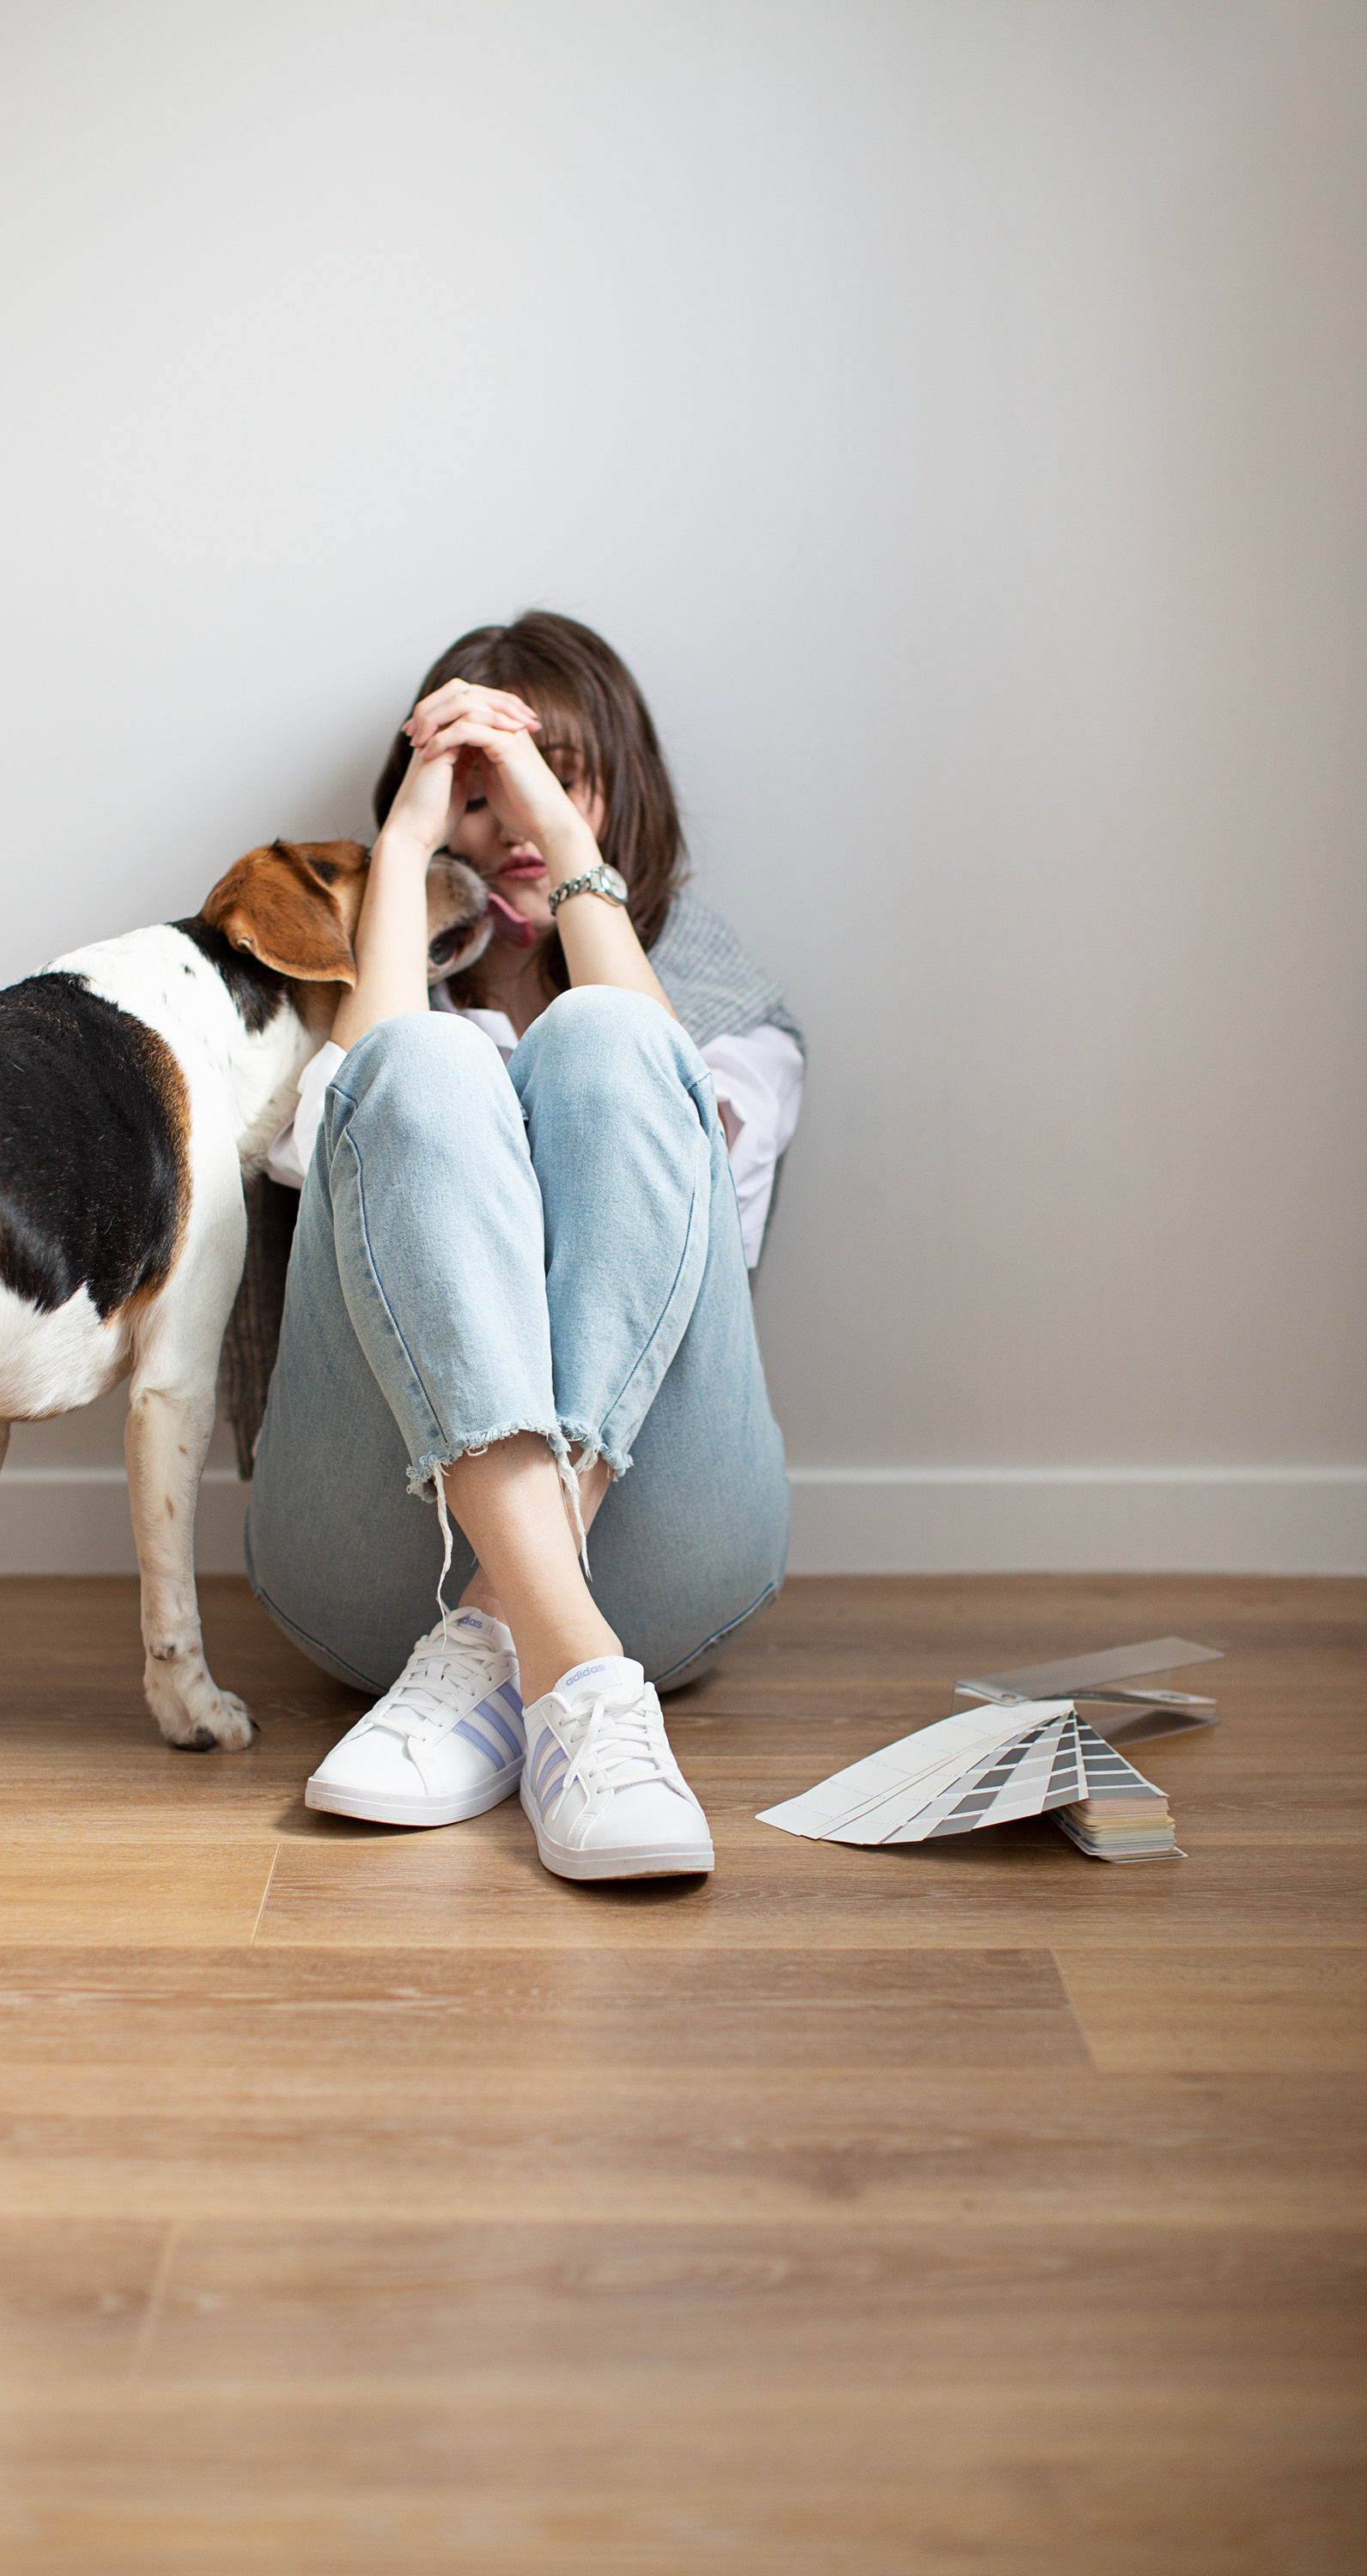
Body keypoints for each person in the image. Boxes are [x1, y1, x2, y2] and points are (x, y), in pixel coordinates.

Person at [243, 612, 802, 1881]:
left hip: (666, 1553)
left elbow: (681, 1133)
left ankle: (523, 1637)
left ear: (610, 791)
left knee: (613, 1045)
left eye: (546, 775)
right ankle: (578, 1683)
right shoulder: (379, 1007)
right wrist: (399, 853)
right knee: (414, 1063)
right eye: (474, 797)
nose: (503, 826)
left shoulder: (725, 1011)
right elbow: (331, 1129)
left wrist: (564, 837)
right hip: (374, 1564)